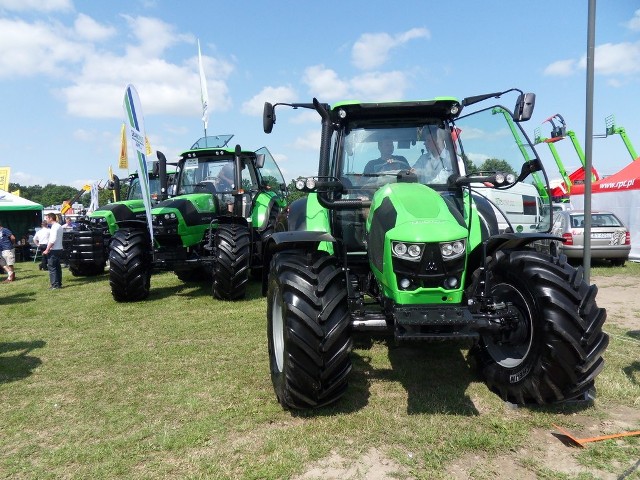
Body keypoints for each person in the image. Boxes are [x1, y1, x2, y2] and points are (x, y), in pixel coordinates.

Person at [42, 212, 64, 289]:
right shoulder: (59, 226)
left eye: (47, 218)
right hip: (59, 248)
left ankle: (54, 285)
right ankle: (58, 284)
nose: (46, 220)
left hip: (54, 249)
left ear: (51, 218)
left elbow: (53, 239)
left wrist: (47, 249)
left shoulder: (54, 227)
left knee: (52, 267)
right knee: (57, 267)